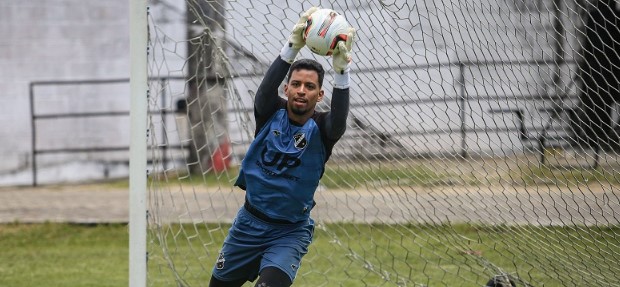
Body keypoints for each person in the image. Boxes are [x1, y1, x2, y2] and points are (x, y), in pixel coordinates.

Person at [208, 7, 356, 287]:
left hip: (289, 232)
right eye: (296, 84)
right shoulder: (268, 114)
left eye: (310, 87)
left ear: (319, 94)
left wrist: (342, 72)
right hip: (248, 224)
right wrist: (292, 47)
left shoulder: (324, 130)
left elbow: (339, 119)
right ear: (286, 89)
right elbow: (264, 91)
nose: (302, 90)